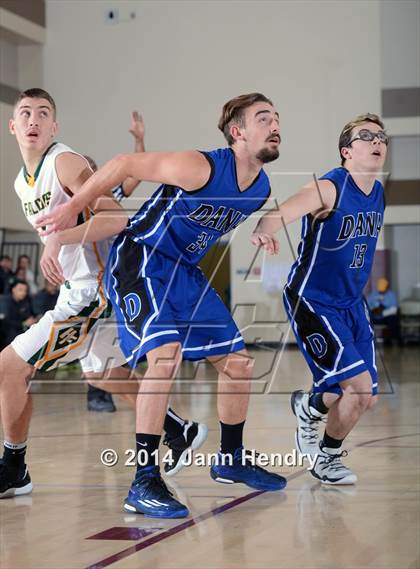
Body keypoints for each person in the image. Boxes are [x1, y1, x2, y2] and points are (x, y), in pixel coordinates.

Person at [36, 92, 288, 519]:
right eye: (264, 118)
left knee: (239, 364)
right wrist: (73, 208)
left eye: (278, 117)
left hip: (183, 272)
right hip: (142, 259)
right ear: (237, 132)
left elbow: (260, 211)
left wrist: (266, 225)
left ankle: (230, 459)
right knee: (165, 358)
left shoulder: (261, 188)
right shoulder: (201, 165)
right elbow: (121, 165)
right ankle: (144, 481)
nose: (276, 124)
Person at [0, 88, 206, 500]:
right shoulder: (23, 183)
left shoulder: (65, 162)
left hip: (92, 292)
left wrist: (58, 239)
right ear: (13, 125)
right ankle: (178, 429)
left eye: (43, 113)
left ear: (55, 126)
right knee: (104, 376)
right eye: (25, 113)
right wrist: (57, 245)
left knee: (8, 367)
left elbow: (115, 217)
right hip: (84, 289)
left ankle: (14, 467)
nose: (33, 120)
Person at [251, 113, 388, 485]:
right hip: (312, 299)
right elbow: (283, 211)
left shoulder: (378, 193)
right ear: (347, 150)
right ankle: (327, 460)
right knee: (356, 388)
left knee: (365, 397)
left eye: (381, 137)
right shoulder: (330, 188)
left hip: (350, 303)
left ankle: (307, 406)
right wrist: (265, 229)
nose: (377, 142)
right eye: (366, 136)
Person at [84, 110, 146, 412]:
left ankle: (150, 406)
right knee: (96, 359)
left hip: (111, 283)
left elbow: (136, 174)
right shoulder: (71, 207)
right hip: (89, 285)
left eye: (93, 173)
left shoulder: (109, 197)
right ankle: (99, 393)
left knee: (103, 360)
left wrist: (139, 140)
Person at [367, 277, 401, 345]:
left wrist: (383, 306)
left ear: (387, 287)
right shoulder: (373, 295)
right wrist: (376, 307)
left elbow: (395, 307)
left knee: (393, 319)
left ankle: (391, 339)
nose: (382, 291)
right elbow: (367, 307)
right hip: (375, 317)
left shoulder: (391, 295)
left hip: (386, 317)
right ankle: (368, 340)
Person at [1, 280, 36, 345]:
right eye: (20, 290)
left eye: (25, 291)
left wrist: (31, 320)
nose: (23, 293)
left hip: (18, 331)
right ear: (13, 289)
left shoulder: (24, 302)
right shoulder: (4, 301)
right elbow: (5, 322)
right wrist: (23, 324)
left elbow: (27, 316)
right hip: (5, 335)